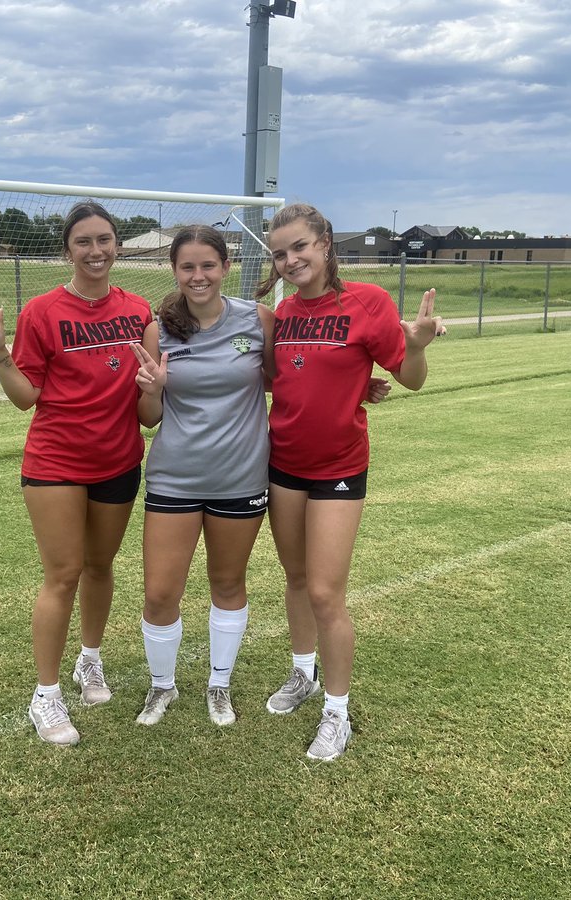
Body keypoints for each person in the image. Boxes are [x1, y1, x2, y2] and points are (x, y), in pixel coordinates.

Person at [0, 201, 151, 747]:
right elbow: (26, 399)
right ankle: (46, 695)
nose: (96, 251)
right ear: (68, 250)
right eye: (83, 241)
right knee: (62, 574)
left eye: (105, 239)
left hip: (119, 460)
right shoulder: (43, 312)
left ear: (117, 245)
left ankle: (90, 661)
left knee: (100, 566)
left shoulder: (138, 310)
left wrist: (155, 388)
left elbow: (147, 413)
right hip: (57, 463)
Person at [255, 202, 444, 761]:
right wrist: (348, 384)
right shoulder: (283, 313)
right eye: (280, 253)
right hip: (283, 462)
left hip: (339, 467)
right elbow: (279, 380)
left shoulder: (368, 301)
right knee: (294, 577)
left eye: (300, 247)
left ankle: (336, 711)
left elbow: (408, 380)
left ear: (326, 244)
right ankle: (303, 673)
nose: (291, 260)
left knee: (325, 591)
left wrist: (415, 346)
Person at [129, 225, 275, 727]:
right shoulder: (159, 329)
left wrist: (356, 381)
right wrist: (152, 388)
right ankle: (162, 687)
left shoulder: (257, 319)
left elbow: (288, 381)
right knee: (159, 591)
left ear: (225, 267)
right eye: (187, 267)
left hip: (241, 477)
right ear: (174, 270)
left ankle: (219, 684)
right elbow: (149, 416)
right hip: (175, 479)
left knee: (228, 582)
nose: (198, 276)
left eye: (207, 265)